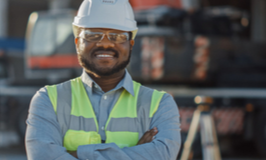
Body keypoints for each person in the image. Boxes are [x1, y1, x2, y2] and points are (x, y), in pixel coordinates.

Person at [25, 0, 181, 159]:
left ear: (131, 44)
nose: (105, 44)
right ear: (78, 43)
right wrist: (135, 153)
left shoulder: (160, 104)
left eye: (117, 36)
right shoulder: (48, 100)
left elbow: (163, 155)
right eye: (93, 35)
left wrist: (77, 154)